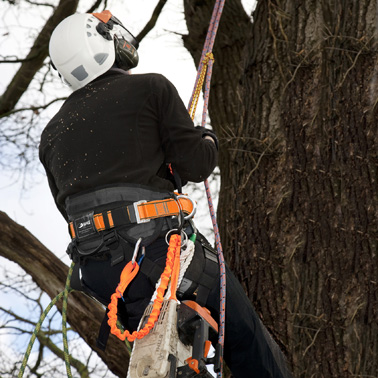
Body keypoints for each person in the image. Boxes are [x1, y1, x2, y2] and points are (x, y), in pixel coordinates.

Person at [39, 10, 292, 378]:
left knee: (172, 354)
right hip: (158, 252)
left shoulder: (52, 133)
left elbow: (73, 205)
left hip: (101, 274)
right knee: (246, 338)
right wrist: (206, 139)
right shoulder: (149, 88)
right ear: (104, 43)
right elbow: (195, 165)